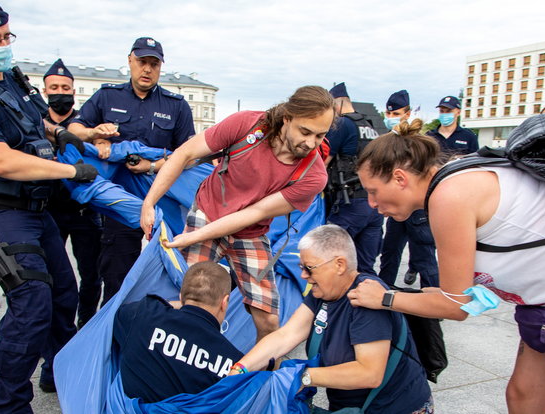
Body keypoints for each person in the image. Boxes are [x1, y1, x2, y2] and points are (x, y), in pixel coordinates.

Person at [347, 119, 545, 414]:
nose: (372, 204)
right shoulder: (452, 179)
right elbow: (468, 292)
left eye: (373, 192)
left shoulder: (449, 195)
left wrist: (384, 298)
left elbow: (456, 306)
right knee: (524, 397)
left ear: (400, 178)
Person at [0, 0, 97, 409]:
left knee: (64, 292)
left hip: (31, 207)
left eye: (7, 36)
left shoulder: (7, 76)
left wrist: (58, 134)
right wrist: (70, 172)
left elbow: (30, 119)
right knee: (32, 301)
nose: (2, 45)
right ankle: (7, 404)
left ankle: (57, 371)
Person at [141, 85, 332, 341]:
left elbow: (256, 212)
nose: (311, 143)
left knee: (269, 318)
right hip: (208, 211)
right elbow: (184, 153)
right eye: (305, 131)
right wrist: (149, 203)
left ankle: (258, 373)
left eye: (320, 136)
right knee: (192, 299)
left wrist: (191, 238)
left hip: (249, 231)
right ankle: (180, 356)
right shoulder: (247, 126)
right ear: (287, 118)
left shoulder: (314, 176)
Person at [230, 225, 432, 413]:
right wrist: (240, 369)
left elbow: (369, 373)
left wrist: (301, 376)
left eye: (309, 268)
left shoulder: (365, 299)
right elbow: (285, 335)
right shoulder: (323, 292)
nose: (302, 275)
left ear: (339, 265)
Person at [68, 37, 195, 307]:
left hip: (164, 202)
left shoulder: (177, 105)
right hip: (121, 203)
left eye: (154, 63)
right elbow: (74, 132)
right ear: (129, 61)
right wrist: (95, 134)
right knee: (116, 275)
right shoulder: (106, 96)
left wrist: (151, 165)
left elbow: (189, 157)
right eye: (142, 62)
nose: (147, 69)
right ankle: (112, 336)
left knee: (169, 274)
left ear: (160, 67)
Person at [112, 261, 243, 403]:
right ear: (225, 302)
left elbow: (114, 315)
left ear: (181, 297)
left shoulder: (141, 315)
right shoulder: (234, 365)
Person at [42, 59, 103, 327]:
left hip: (84, 210)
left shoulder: (83, 123)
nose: (60, 92)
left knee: (91, 274)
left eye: (65, 88)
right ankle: (56, 326)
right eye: (54, 87)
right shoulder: (35, 121)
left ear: (74, 92)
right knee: (50, 273)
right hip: (48, 209)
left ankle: (85, 323)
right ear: (45, 91)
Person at [376, 90, 439, 288]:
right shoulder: (387, 141)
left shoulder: (417, 142)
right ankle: (382, 294)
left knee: (423, 257)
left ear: (408, 113)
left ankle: (433, 307)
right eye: (389, 114)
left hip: (417, 209)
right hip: (397, 210)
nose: (391, 118)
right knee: (390, 253)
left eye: (396, 114)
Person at [324, 82, 385, 275]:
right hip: (374, 204)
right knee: (366, 266)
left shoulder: (342, 124)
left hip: (350, 203)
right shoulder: (369, 125)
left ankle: (330, 304)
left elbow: (323, 162)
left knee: (331, 258)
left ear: (337, 104)